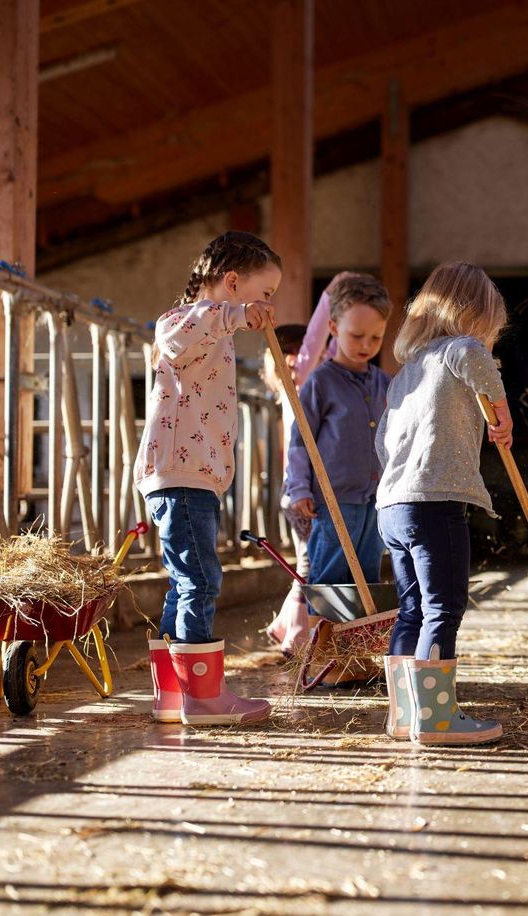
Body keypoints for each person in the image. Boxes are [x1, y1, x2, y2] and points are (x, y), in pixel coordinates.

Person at [138, 230, 279, 727]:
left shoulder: (214, 332)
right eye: (264, 294)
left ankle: (173, 695)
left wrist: (236, 318)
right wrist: (237, 316)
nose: (268, 306)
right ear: (232, 282)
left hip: (194, 476)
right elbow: (178, 335)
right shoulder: (181, 322)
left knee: (184, 583)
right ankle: (204, 697)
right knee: (200, 578)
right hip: (181, 475)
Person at [375, 261, 512, 745]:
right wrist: (502, 414)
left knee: (412, 609)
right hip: (435, 503)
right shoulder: (463, 349)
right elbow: (478, 359)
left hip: (393, 505)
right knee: (443, 607)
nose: (489, 341)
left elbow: (382, 445)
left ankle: (403, 714)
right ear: (474, 315)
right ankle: (435, 720)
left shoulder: (406, 372)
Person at [284, 273, 392, 591]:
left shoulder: (385, 383)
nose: (366, 345)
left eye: (376, 338)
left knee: (368, 575)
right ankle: (324, 638)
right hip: (333, 501)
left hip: (376, 500)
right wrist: (299, 488)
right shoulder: (321, 383)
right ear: (333, 329)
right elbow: (300, 441)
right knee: (329, 577)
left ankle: (359, 640)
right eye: (357, 335)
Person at [262, 322, 313, 656]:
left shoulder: (299, 394)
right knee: (310, 563)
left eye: (300, 352)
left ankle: (283, 625)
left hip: (299, 489)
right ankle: (295, 637)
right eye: (286, 353)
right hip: (299, 491)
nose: (294, 360)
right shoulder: (294, 396)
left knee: (308, 560)